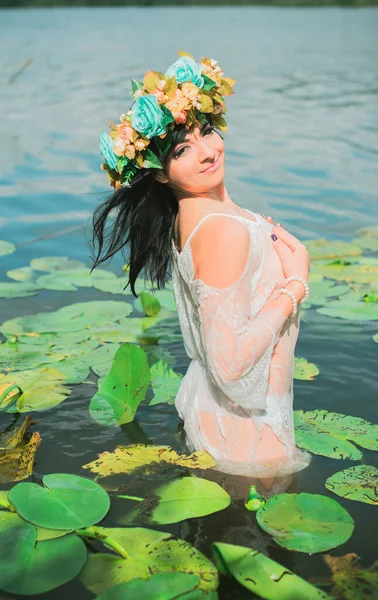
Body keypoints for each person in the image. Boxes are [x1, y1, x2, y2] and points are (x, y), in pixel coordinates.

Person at [91, 51, 311, 478]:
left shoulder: (196, 216)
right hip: (248, 444)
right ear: (158, 173)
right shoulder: (218, 230)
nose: (208, 151)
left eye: (207, 131)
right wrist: (296, 283)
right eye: (182, 150)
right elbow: (230, 366)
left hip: (225, 425)